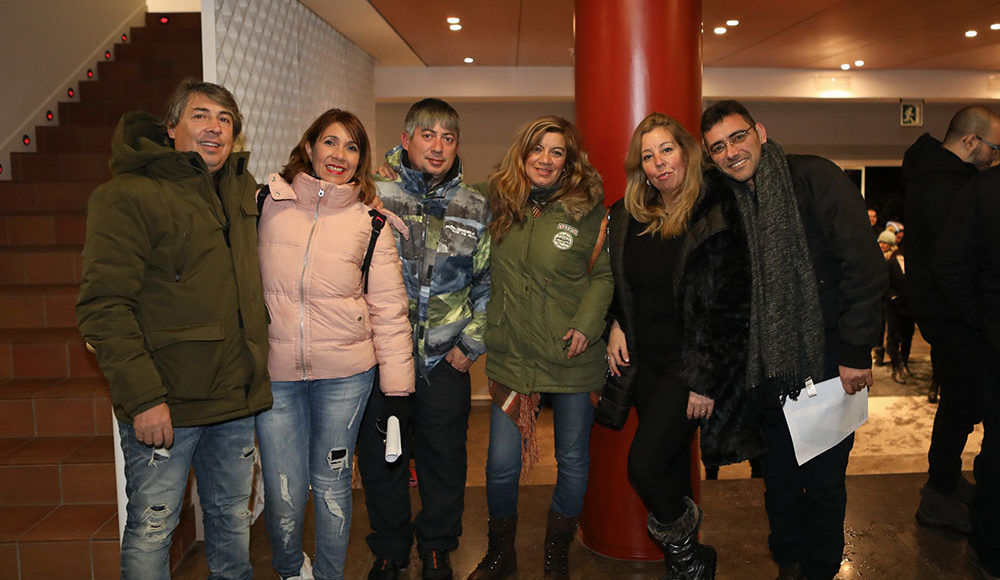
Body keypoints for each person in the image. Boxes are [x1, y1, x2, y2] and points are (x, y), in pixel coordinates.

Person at [76, 79, 270, 579]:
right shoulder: (127, 195)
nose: (215, 128)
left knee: (233, 522)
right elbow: (104, 306)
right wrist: (143, 398)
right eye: (201, 115)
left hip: (232, 400)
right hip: (166, 404)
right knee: (152, 529)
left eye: (226, 119)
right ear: (171, 128)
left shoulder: (239, 189)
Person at [701, 100, 885, 580]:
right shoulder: (726, 204)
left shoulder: (814, 178)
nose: (731, 152)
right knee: (779, 484)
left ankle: (820, 569)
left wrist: (855, 351)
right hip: (765, 372)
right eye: (717, 147)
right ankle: (789, 563)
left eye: (738, 137)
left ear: (760, 132)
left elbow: (863, 267)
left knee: (824, 484)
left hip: (826, 362)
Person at [255, 109, 414, 580]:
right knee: (283, 492)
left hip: (345, 377)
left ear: (361, 159)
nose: (339, 155)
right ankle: (290, 569)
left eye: (352, 146)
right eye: (330, 142)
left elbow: (389, 309)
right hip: (277, 375)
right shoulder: (266, 205)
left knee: (331, 486)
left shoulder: (372, 223)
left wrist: (396, 389)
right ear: (309, 147)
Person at [604, 112, 753, 579]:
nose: (659, 162)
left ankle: (693, 561)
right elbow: (618, 282)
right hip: (645, 362)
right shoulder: (629, 214)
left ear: (686, 152)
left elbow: (729, 308)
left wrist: (704, 380)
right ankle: (686, 564)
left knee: (644, 465)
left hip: (687, 366)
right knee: (668, 467)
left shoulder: (715, 211)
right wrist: (614, 322)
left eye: (666, 150)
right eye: (648, 156)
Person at [468, 116, 612, 580]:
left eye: (557, 152)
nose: (545, 160)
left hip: (571, 354)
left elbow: (603, 276)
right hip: (512, 354)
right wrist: (390, 179)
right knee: (500, 464)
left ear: (568, 161)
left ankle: (557, 551)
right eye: (537, 149)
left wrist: (587, 326)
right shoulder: (498, 200)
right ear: (523, 153)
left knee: (572, 459)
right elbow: (444, 194)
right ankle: (500, 553)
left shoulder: (589, 210)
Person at [356, 98, 491, 580]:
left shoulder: (474, 205)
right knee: (382, 459)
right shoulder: (373, 194)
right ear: (406, 139)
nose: (437, 146)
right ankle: (390, 549)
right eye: (427, 135)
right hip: (381, 359)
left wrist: (468, 347)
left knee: (444, 460)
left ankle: (437, 546)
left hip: (445, 362)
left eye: (448, 138)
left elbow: (488, 284)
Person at [903, 105, 1000, 534]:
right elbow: (955, 262)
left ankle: (944, 480)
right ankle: (938, 493)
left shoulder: (934, 175)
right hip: (952, 314)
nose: (995, 157)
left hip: (941, 310)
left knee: (958, 401)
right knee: (962, 402)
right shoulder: (947, 187)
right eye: (993, 147)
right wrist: (979, 316)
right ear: (971, 141)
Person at [933, 164, 1000, 580]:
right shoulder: (985, 190)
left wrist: (983, 321)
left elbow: (950, 265)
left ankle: (990, 548)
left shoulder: (983, 188)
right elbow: (949, 267)